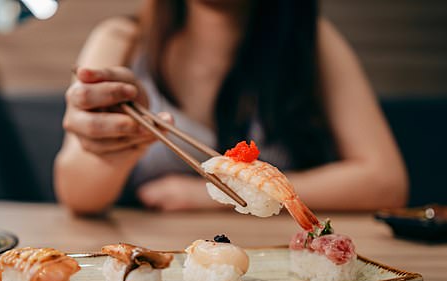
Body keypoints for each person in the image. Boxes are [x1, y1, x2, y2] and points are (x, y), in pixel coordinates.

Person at [54, 0, 408, 214]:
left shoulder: (311, 41)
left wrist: (212, 194)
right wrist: (124, 144)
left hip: (275, 260)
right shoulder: (122, 40)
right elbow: (76, 195)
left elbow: (385, 182)